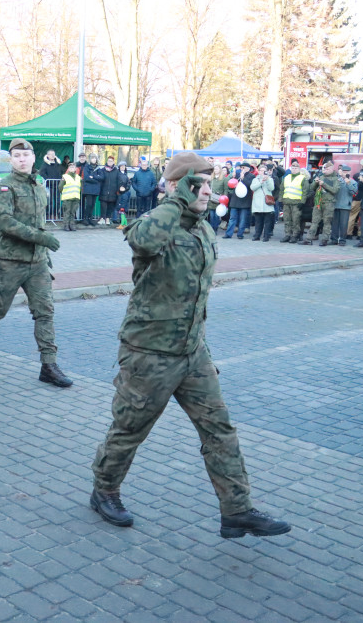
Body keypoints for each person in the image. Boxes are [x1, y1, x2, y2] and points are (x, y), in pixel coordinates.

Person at [89, 152, 290, 539]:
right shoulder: (155, 224)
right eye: (196, 184)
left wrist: (203, 352)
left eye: (208, 184)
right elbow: (142, 241)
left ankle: (237, 510)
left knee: (220, 430)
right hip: (150, 354)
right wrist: (176, 197)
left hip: (192, 353)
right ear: (176, 187)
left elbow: (197, 300)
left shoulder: (203, 229)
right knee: (130, 429)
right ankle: (104, 489)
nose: (206, 192)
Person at [0, 138, 73, 387]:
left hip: (37, 262)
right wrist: (41, 237)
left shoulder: (38, 184)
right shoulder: (4, 187)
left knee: (45, 312)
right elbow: (5, 223)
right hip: (9, 261)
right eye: (16, 156)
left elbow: (39, 220)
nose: (22, 159)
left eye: (25, 155)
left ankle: (49, 365)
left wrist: (43, 251)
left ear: (33, 158)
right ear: (11, 160)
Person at [301, 161, 338, 246]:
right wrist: (315, 182)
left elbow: (335, 190)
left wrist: (324, 184)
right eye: (324, 168)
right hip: (318, 202)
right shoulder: (321, 176)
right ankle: (308, 239)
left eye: (327, 168)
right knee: (314, 221)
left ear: (332, 169)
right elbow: (312, 188)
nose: (325, 170)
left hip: (329, 203)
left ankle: (325, 239)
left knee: (326, 222)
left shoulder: (335, 179)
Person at [329, 165, 357, 246]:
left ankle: (342, 240)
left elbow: (354, 192)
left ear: (349, 172)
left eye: (346, 172)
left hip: (345, 205)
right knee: (334, 224)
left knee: (343, 224)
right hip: (336, 204)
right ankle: (334, 239)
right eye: (343, 172)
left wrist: (348, 183)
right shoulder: (338, 180)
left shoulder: (353, 182)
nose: (344, 173)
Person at [224, 165, 253, 239]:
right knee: (232, 218)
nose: (242, 169)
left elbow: (249, 185)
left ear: (248, 169)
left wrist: (243, 178)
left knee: (242, 219)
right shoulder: (236, 175)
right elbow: (230, 185)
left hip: (245, 201)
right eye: (241, 168)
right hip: (235, 200)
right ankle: (228, 234)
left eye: (244, 168)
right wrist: (232, 176)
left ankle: (240, 234)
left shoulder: (251, 176)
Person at [250, 164, 276, 241]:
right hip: (257, 204)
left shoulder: (270, 179)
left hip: (267, 203)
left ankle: (266, 236)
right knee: (258, 221)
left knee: (267, 222)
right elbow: (252, 188)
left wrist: (267, 180)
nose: (262, 172)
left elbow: (271, 188)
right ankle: (257, 235)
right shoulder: (255, 179)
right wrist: (261, 182)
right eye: (261, 170)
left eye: (264, 171)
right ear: (258, 171)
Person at [79, 154, 102, 226]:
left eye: (95, 158)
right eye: (92, 158)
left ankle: (90, 218)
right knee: (88, 204)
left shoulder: (98, 168)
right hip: (88, 189)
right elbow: (86, 177)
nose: (94, 160)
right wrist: (96, 180)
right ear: (90, 160)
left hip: (95, 190)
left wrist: (93, 177)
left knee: (92, 204)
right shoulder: (86, 167)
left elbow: (101, 177)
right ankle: (85, 218)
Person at [99, 157, 121, 226]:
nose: (110, 162)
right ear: (107, 161)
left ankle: (108, 218)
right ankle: (102, 218)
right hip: (104, 191)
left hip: (113, 191)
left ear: (113, 162)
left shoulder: (116, 171)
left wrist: (118, 190)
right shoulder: (103, 170)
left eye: (111, 161)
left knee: (110, 206)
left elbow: (119, 181)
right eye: (109, 161)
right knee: (103, 205)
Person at [60, 161, 82, 231]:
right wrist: (64, 193)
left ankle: (72, 225)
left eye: (73, 167)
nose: (72, 168)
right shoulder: (65, 176)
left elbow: (80, 187)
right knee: (67, 212)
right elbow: (60, 187)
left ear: (75, 169)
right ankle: (66, 225)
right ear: (68, 169)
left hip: (76, 197)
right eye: (70, 167)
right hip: (67, 198)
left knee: (73, 213)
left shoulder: (78, 177)